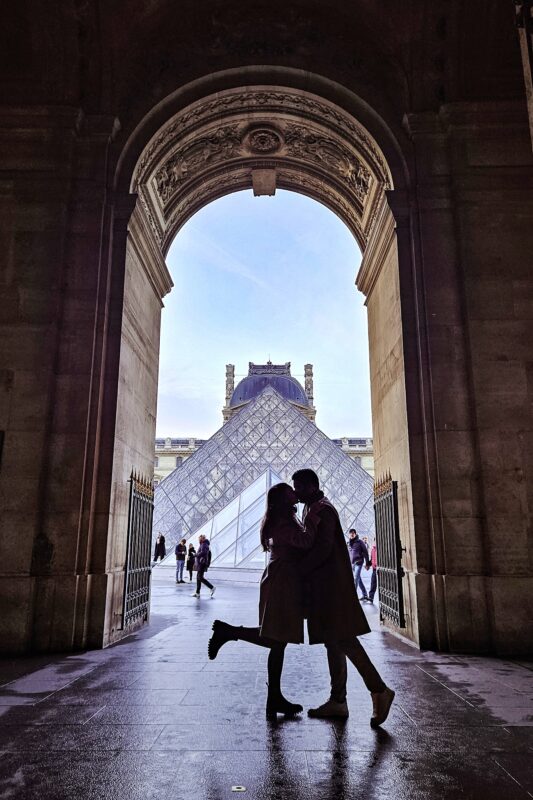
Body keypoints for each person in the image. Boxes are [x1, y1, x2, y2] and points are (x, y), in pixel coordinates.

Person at [292, 468, 395, 727]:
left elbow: (324, 548)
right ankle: (338, 700)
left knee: (344, 640)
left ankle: (379, 689)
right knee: (333, 641)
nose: (295, 492)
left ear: (312, 486)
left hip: (330, 586)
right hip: (325, 585)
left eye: (299, 487)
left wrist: (299, 569)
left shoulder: (322, 510)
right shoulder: (314, 508)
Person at [207, 482, 319, 718]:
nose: (295, 493)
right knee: (277, 638)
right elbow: (306, 542)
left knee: (278, 641)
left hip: (283, 578)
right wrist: (313, 517)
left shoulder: (283, 518)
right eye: (291, 491)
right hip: (282, 580)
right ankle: (228, 632)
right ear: (282, 499)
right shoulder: (282, 522)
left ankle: (274, 699)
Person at [347, 528, 371, 602]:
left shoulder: (360, 542)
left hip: (359, 562)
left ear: (355, 534)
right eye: (350, 533)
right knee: (358, 579)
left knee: (355, 578)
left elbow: (366, 553)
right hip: (352, 564)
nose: (352, 534)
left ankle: (352, 596)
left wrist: (367, 563)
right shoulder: (349, 543)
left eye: (353, 533)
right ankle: (365, 594)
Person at [192, 534, 215, 598]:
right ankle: (197, 593)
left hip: (202, 563)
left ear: (202, 539)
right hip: (201, 563)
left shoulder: (204, 544)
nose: (198, 540)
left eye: (199, 538)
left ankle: (212, 587)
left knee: (200, 578)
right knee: (198, 578)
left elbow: (203, 553)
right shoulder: (204, 544)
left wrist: (195, 554)